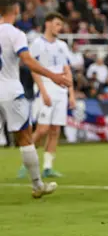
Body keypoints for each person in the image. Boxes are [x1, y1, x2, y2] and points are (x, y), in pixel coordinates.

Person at [0, 0, 71, 198]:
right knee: (25, 137)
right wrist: (53, 76)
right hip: (11, 92)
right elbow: (28, 60)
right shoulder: (16, 34)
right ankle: (38, 184)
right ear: (15, 10)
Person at [17, 12, 75, 179]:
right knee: (42, 129)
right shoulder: (37, 44)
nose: (60, 27)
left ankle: (48, 166)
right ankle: (26, 162)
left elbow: (67, 69)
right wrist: (42, 91)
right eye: (57, 24)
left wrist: (71, 94)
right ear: (48, 24)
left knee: (55, 130)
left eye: (61, 25)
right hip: (46, 87)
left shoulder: (62, 45)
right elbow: (34, 69)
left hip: (61, 89)